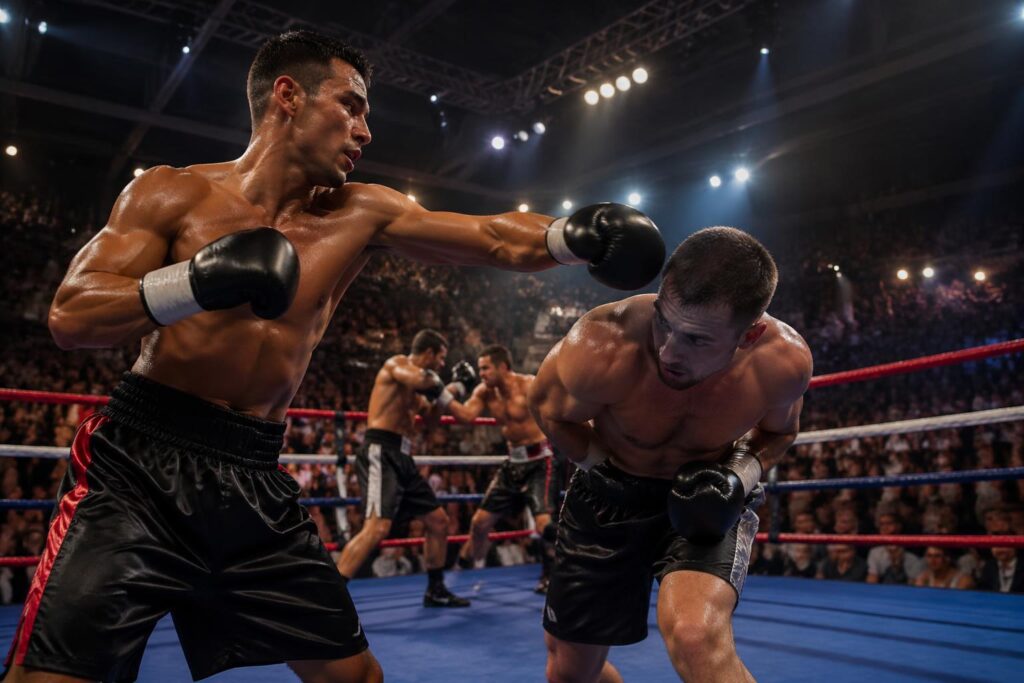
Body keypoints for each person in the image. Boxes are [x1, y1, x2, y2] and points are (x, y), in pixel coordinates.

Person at [6, 29, 665, 683]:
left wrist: (570, 236)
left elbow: (491, 237)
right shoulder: (170, 192)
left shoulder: (362, 212)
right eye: (351, 105)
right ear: (287, 96)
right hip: (138, 469)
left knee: (354, 677)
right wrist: (195, 281)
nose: (366, 130)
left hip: (254, 473)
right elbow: (71, 315)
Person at [529, 227, 813, 683]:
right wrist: (599, 466)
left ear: (750, 334)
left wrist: (738, 475)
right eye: (665, 321)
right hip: (606, 498)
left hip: (706, 501)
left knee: (696, 635)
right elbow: (548, 411)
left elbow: (780, 433)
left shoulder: (782, 363)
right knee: (570, 673)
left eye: (697, 340)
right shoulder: (602, 344)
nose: (668, 351)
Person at [335, 329, 470, 607]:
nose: (443, 364)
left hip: (403, 457)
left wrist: (452, 390)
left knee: (438, 521)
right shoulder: (396, 365)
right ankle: (330, 597)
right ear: (429, 353)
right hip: (380, 451)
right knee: (376, 528)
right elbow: (422, 379)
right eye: (441, 358)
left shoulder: (419, 388)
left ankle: (435, 589)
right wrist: (452, 389)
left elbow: (431, 422)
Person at [445, 345, 559, 593]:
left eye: (485, 368)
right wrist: (443, 394)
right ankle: (465, 570)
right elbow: (465, 416)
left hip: (540, 461)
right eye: (479, 369)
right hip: (512, 463)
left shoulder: (529, 384)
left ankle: (552, 576)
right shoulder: (484, 393)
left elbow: (558, 410)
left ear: (503, 367)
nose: (481, 373)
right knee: (479, 523)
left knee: (543, 524)